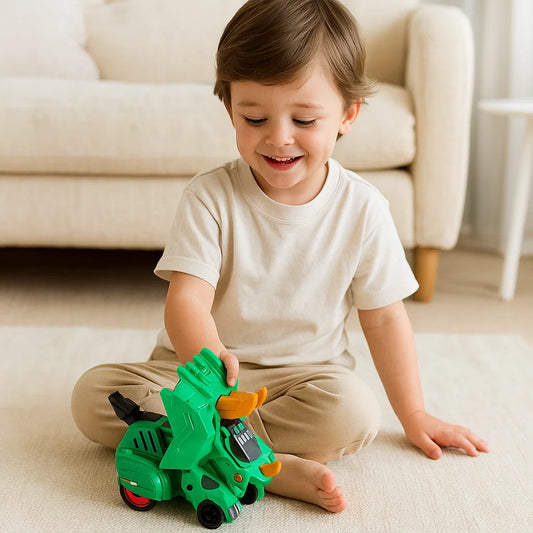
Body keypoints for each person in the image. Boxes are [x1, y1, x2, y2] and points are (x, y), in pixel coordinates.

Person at [72, 0, 489, 514]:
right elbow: (187, 300)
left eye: (305, 119)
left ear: (348, 115)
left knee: (354, 412)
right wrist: (208, 363)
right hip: (201, 377)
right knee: (95, 395)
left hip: (302, 380)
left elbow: (384, 320)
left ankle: (224, 454)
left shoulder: (363, 209)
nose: (279, 137)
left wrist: (415, 414)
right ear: (230, 108)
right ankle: (266, 467)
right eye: (255, 117)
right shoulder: (209, 197)